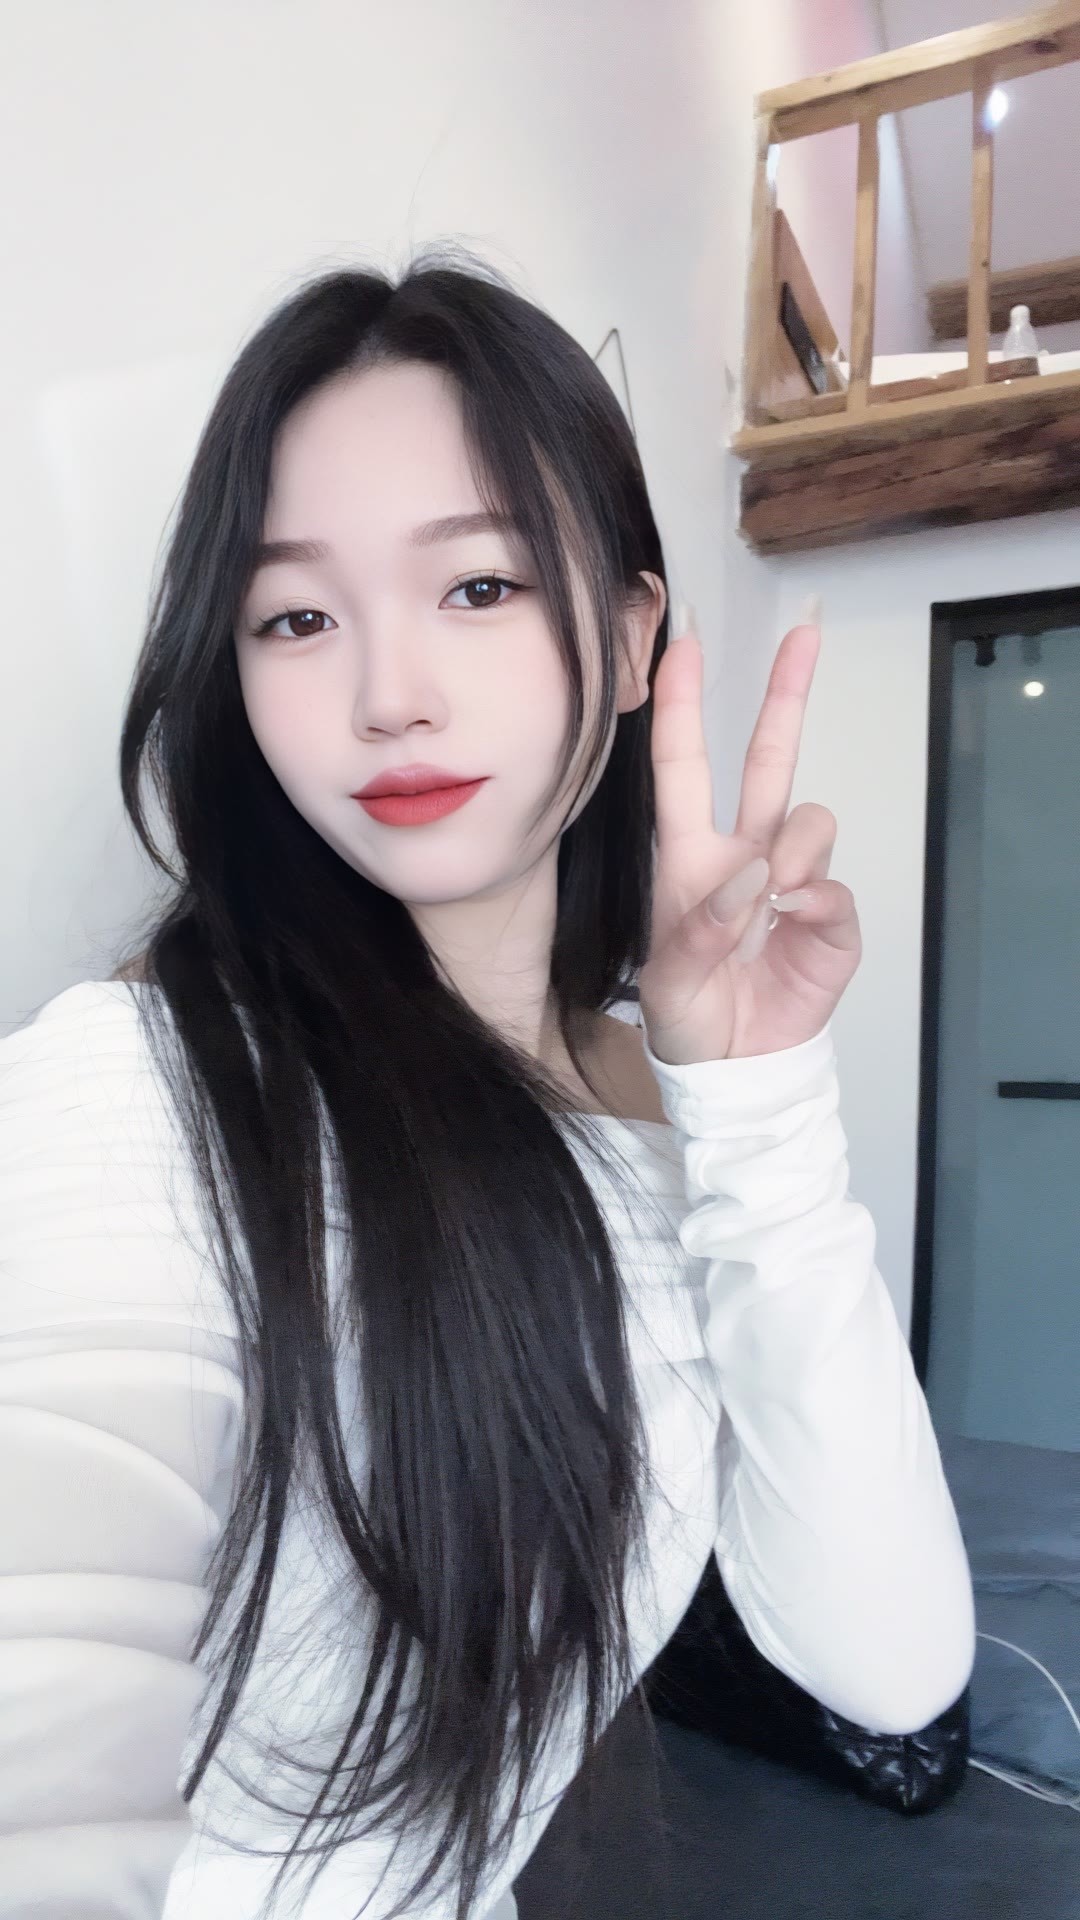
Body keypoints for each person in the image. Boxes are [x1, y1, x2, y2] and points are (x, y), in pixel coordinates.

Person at [0, 248, 976, 1920]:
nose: (389, 697)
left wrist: (758, 1096)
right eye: (297, 617)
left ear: (630, 635)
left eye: (479, 587)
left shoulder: (676, 1121)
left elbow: (887, 1665)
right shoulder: (137, 1088)